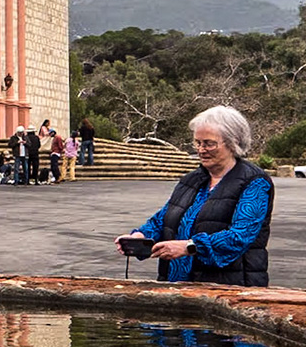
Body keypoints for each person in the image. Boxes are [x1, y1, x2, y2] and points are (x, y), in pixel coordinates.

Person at [115, 105, 274, 285]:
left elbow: (240, 236)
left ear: (233, 142)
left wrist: (189, 247)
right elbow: (164, 219)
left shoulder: (255, 182)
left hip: (230, 286)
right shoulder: (191, 180)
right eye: (197, 143)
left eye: (209, 143)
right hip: (175, 284)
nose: (201, 149)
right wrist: (140, 236)